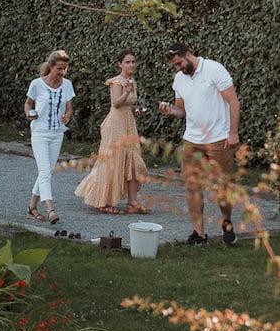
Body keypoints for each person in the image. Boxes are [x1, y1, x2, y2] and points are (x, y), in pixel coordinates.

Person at [158, 41, 241, 246]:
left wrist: (233, 132)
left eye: (179, 63)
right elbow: (182, 111)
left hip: (218, 139)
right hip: (192, 140)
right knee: (192, 186)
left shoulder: (214, 69)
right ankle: (199, 234)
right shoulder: (179, 79)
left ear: (188, 54)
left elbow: (233, 101)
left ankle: (227, 222)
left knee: (222, 187)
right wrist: (170, 110)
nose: (178, 68)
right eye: (175, 66)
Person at [73, 50, 150, 214]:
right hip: (115, 125)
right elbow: (115, 104)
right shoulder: (117, 82)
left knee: (132, 160)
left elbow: (127, 104)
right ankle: (103, 201)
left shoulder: (131, 81)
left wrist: (135, 108)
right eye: (127, 62)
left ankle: (132, 202)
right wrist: (127, 91)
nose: (131, 65)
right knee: (113, 161)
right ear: (120, 64)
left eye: (133, 62)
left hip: (128, 123)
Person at [25, 49, 74, 225]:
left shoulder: (67, 84)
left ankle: (32, 208)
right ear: (51, 66)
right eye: (59, 68)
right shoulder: (37, 84)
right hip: (39, 132)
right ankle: (51, 209)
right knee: (45, 171)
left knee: (47, 172)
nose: (62, 72)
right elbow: (28, 103)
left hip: (57, 133)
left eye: (65, 69)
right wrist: (30, 113)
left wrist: (67, 115)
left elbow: (69, 107)